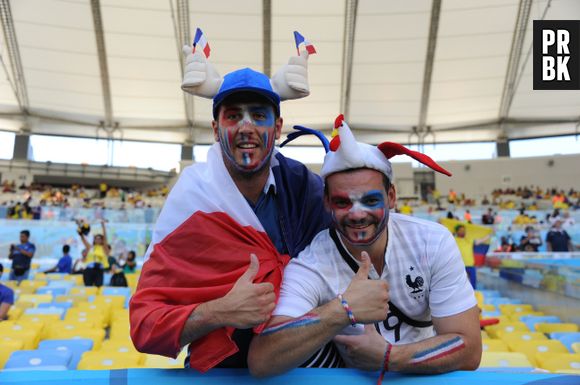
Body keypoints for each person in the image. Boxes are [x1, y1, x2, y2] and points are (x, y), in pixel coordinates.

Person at [130, 32, 337, 372]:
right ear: (215, 128)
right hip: (220, 373)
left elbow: (349, 253)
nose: (246, 127)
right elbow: (145, 325)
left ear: (279, 127)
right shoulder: (192, 198)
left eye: (259, 115)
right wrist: (220, 311)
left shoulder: (304, 189)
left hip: (308, 368)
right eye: (233, 116)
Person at [248, 116, 481, 376]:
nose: (357, 214)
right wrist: (342, 309)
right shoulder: (311, 263)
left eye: (370, 200)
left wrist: (389, 357)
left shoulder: (431, 242)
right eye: (343, 202)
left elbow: (470, 350)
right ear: (326, 203)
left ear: (391, 197)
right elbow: (262, 360)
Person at [453, 224, 491, 289]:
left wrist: (490, 234)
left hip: (470, 264)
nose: (463, 231)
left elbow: (481, 241)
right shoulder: (453, 240)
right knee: (459, 284)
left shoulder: (469, 240)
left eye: (464, 230)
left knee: (473, 283)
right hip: (459, 265)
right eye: (461, 230)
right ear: (457, 232)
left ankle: (473, 295)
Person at [79, 220, 110, 286]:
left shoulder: (104, 248)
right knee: (88, 287)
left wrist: (103, 225)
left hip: (99, 270)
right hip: (89, 269)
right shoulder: (90, 247)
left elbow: (105, 237)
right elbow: (83, 239)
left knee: (98, 286)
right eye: (96, 238)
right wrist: (80, 229)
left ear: (102, 240)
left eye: (99, 238)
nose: (97, 240)